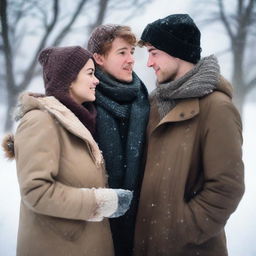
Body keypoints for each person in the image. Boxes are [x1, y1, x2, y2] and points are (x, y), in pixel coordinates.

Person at [2, 46, 133, 256]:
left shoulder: (80, 123)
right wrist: (101, 203)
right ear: (69, 79)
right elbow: (36, 192)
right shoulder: (40, 121)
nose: (96, 80)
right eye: (90, 73)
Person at [133, 14, 245, 256]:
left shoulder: (217, 108)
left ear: (177, 52)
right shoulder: (152, 105)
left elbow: (227, 187)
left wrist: (180, 230)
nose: (148, 63)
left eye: (154, 53)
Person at [87, 25, 150, 256]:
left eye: (132, 52)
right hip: (96, 226)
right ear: (99, 58)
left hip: (142, 222)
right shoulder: (85, 104)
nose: (131, 60)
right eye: (122, 52)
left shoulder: (144, 99)